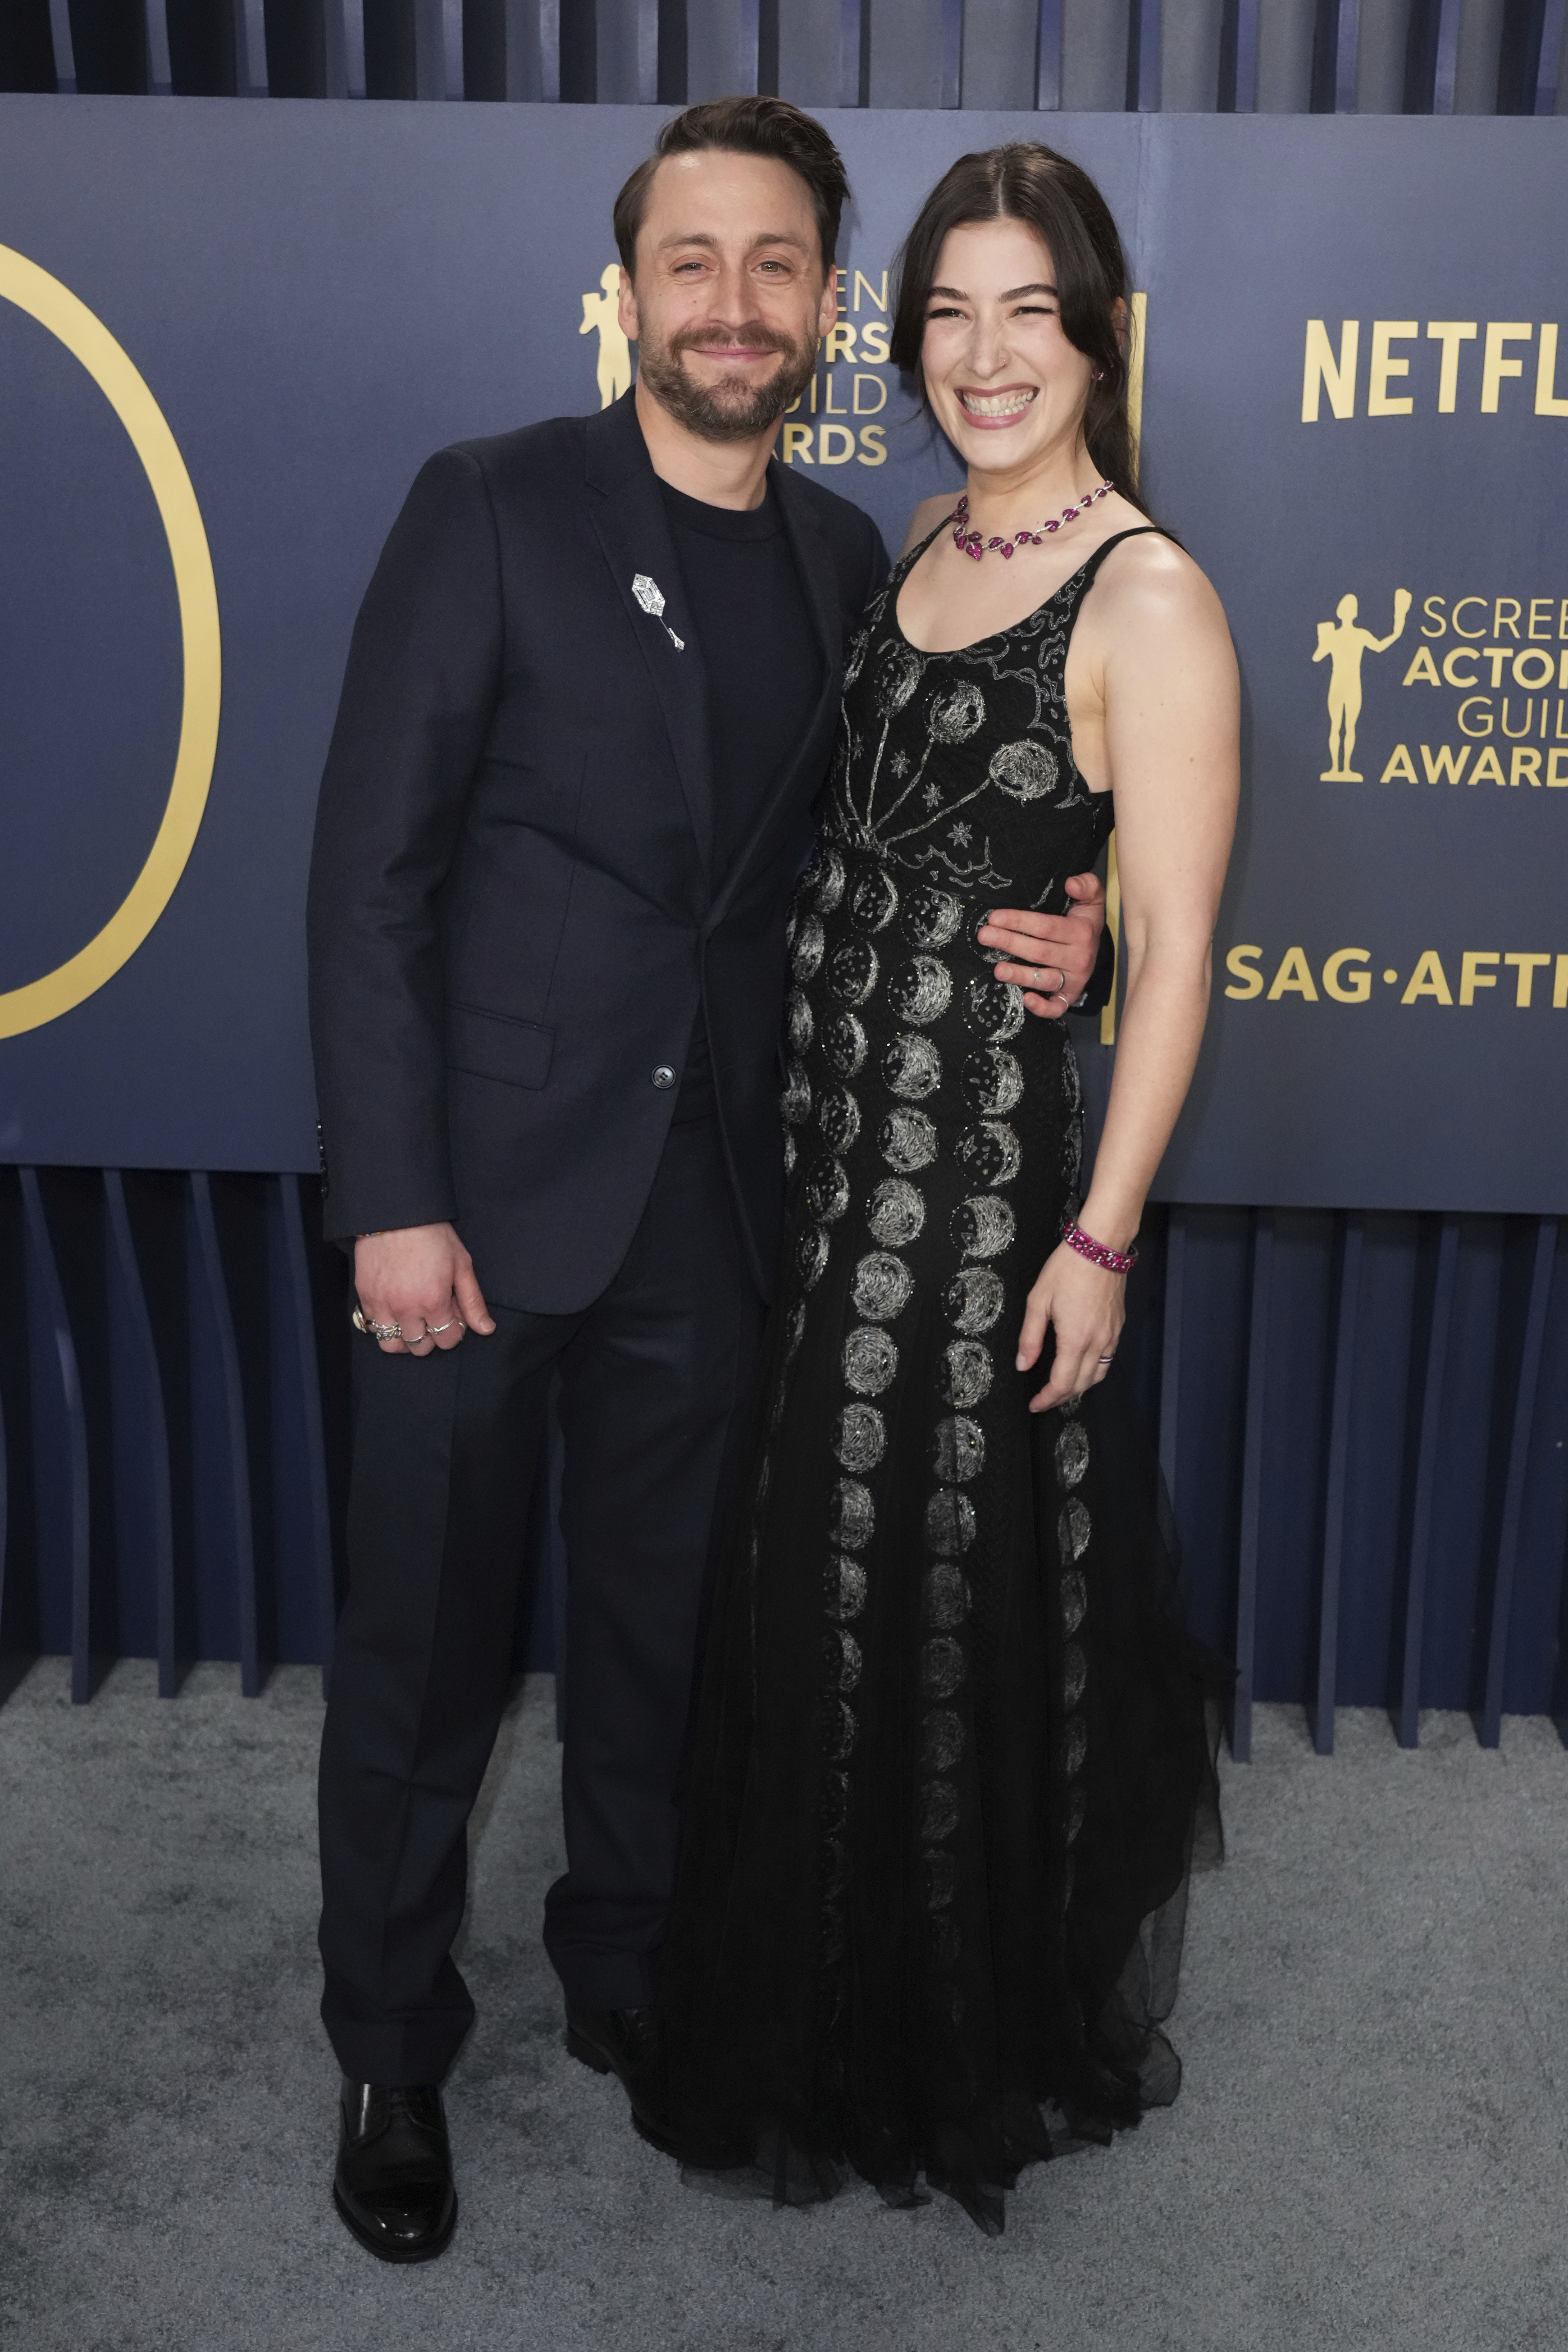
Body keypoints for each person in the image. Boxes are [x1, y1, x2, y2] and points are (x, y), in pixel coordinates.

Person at [305, 100, 1109, 2264]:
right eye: (695, 262)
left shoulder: (857, 559)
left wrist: (1083, 908)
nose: (735, 305)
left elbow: (937, 822)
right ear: (631, 289)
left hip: (723, 1207)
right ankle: (390, 2041)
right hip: (468, 1211)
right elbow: (368, 881)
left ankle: (627, 1967)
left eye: (778, 267)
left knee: (660, 1640)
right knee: (428, 1651)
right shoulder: (484, 510)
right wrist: (394, 1196)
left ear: (827, 309)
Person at [646, 142, 1239, 2236]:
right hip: (831, 1167)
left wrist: (1101, 1237)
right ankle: (827, 1997)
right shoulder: (919, 535)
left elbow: (1169, 955)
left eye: (1032, 313)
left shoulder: (1148, 594)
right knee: (833, 1590)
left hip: (978, 1196)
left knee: (917, 1594)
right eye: (954, 313)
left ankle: (927, 2041)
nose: (989, 356)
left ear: (1096, 336)